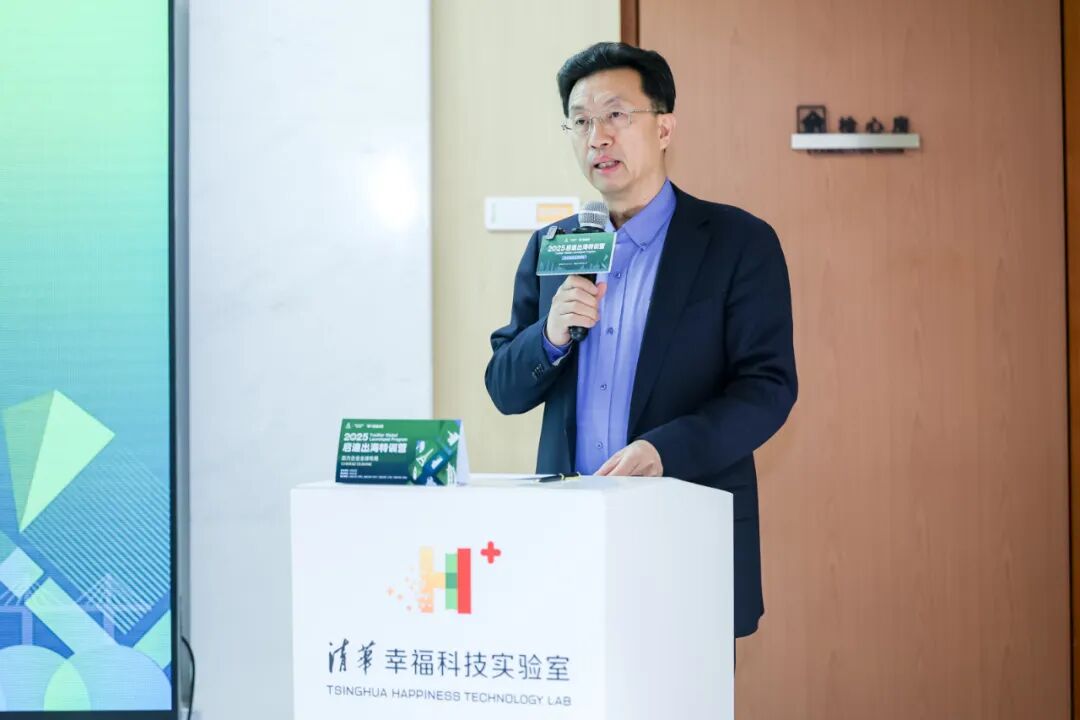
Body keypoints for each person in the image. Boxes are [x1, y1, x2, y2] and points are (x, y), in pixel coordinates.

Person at [484, 42, 797, 639]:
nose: (597, 137)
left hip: (686, 526)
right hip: (569, 539)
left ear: (664, 128)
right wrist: (550, 336)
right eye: (581, 121)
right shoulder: (555, 246)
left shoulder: (737, 243)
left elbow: (768, 388)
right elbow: (504, 389)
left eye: (616, 115)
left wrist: (664, 451)